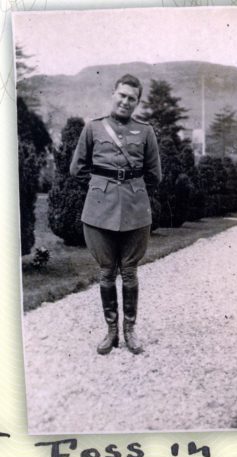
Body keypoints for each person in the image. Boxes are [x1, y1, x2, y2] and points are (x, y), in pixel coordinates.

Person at [70, 74, 162, 355]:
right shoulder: (93, 128)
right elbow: (77, 168)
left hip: (135, 211)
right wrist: (101, 185)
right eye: (121, 95)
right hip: (99, 211)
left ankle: (130, 331)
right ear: (113, 93)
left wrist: (130, 185)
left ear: (137, 102)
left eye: (131, 98)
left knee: (130, 272)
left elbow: (155, 175)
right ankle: (111, 332)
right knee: (106, 272)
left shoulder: (145, 132)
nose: (125, 101)